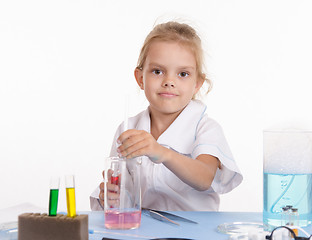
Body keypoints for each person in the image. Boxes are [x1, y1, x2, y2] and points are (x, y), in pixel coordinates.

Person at [90, 21, 242, 211]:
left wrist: (161, 153)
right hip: (145, 231)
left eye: (183, 74)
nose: (169, 81)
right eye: (157, 71)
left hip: (195, 233)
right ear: (140, 78)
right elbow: (127, 196)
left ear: (197, 83)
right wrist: (113, 197)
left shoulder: (206, 128)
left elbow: (204, 178)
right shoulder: (128, 129)